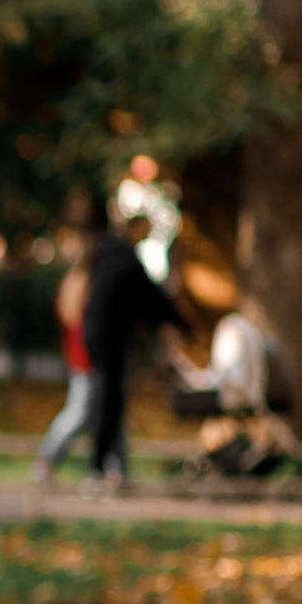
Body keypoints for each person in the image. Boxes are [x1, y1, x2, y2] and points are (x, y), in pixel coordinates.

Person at [80, 210, 186, 494]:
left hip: (97, 334)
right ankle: (99, 467)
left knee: (110, 401)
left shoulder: (109, 254)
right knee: (107, 402)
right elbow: (148, 296)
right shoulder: (124, 259)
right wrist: (179, 322)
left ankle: (112, 466)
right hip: (109, 338)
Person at [31, 244, 96, 484]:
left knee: (100, 414)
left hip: (81, 357)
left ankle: (113, 467)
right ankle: (46, 460)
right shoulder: (85, 284)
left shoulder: (74, 282)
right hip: (86, 359)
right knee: (78, 412)